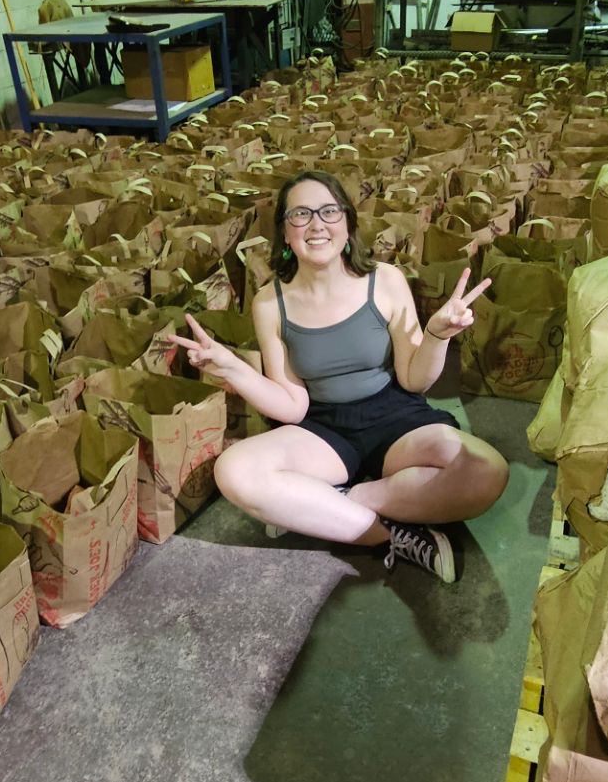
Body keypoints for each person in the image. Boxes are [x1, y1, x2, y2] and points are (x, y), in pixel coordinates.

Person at [166, 171, 509, 583]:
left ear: (347, 223)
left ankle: (335, 502)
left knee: (486, 470)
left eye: (329, 211)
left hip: (397, 418)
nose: (316, 224)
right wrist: (233, 369)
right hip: (324, 429)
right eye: (301, 214)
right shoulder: (270, 303)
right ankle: (389, 534)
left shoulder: (385, 280)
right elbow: (293, 406)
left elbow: (414, 381)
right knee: (234, 471)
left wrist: (436, 335)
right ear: (285, 232)